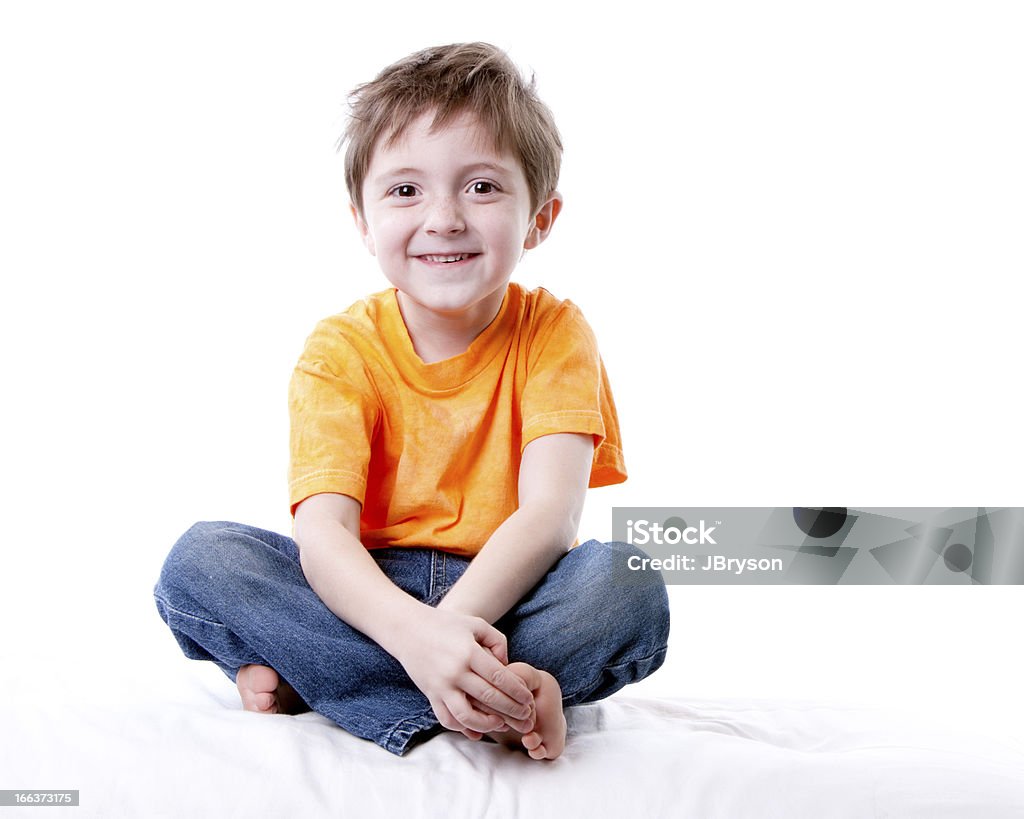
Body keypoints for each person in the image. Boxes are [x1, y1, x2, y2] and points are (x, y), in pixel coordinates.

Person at [154, 42, 669, 761]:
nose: (445, 217)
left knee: (625, 583)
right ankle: (499, 696)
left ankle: (343, 682)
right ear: (363, 220)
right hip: (366, 596)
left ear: (540, 218)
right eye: (405, 191)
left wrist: (447, 631)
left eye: (483, 187)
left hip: (512, 591)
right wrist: (415, 636)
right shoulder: (340, 349)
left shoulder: (556, 331)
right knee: (202, 561)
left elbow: (550, 517)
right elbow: (325, 536)